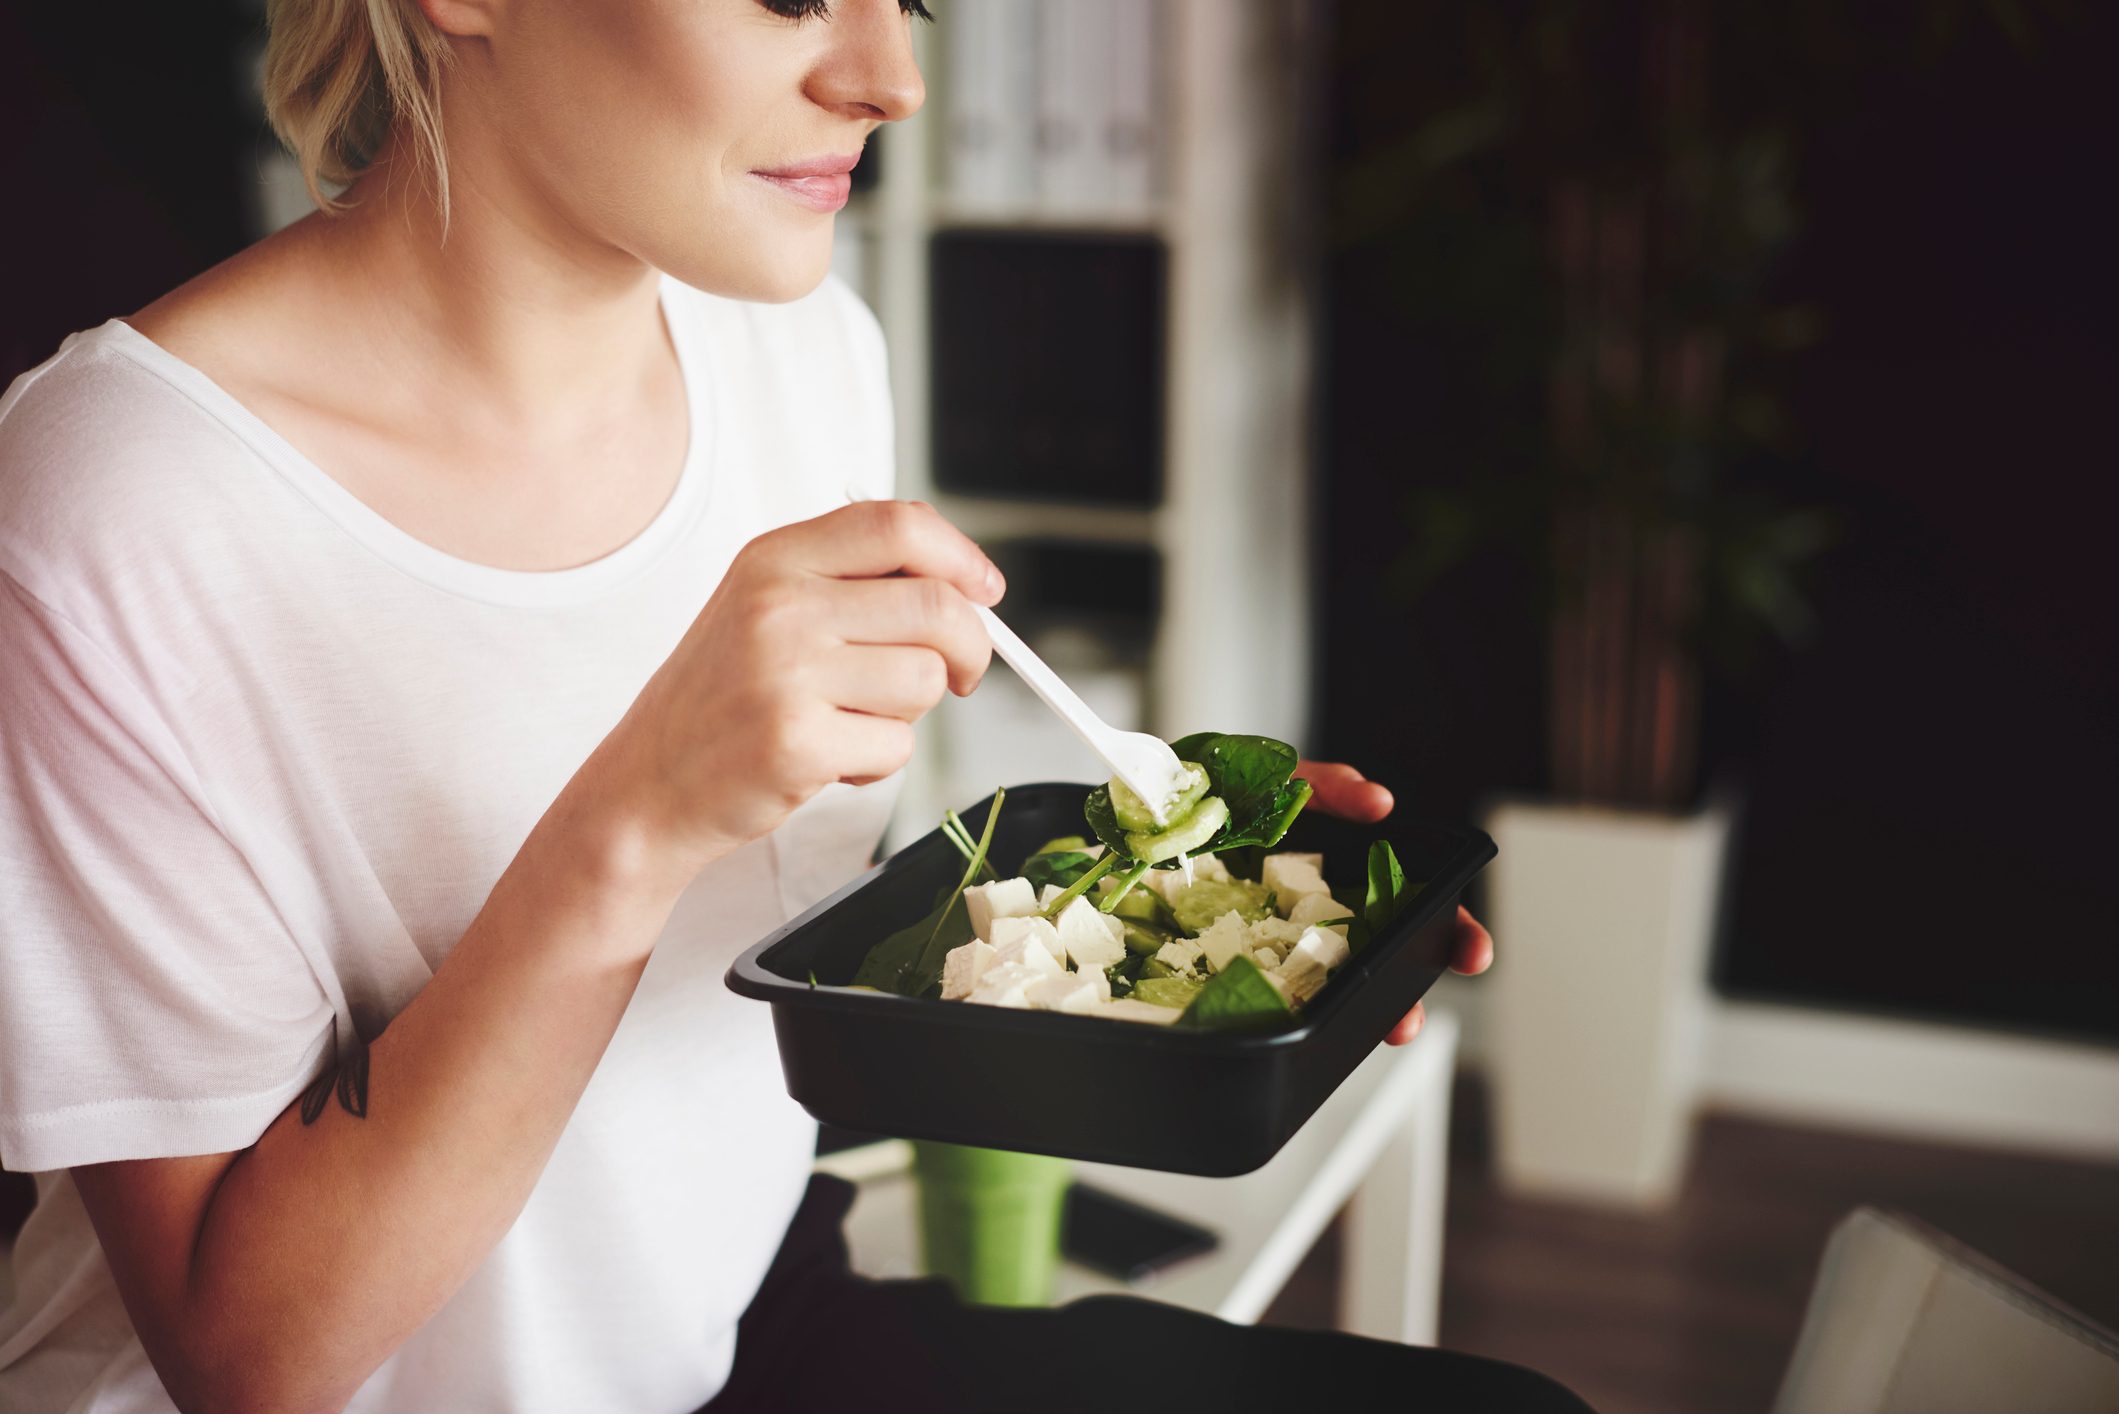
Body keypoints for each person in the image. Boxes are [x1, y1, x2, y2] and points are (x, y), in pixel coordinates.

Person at [0, 1, 1590, 1409]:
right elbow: (246, 1357)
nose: (893, 75)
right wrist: (631, 819)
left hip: (744, 1318)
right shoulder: (116, 503)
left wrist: (1191, 937)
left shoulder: (807, 351)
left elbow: (760, 994)